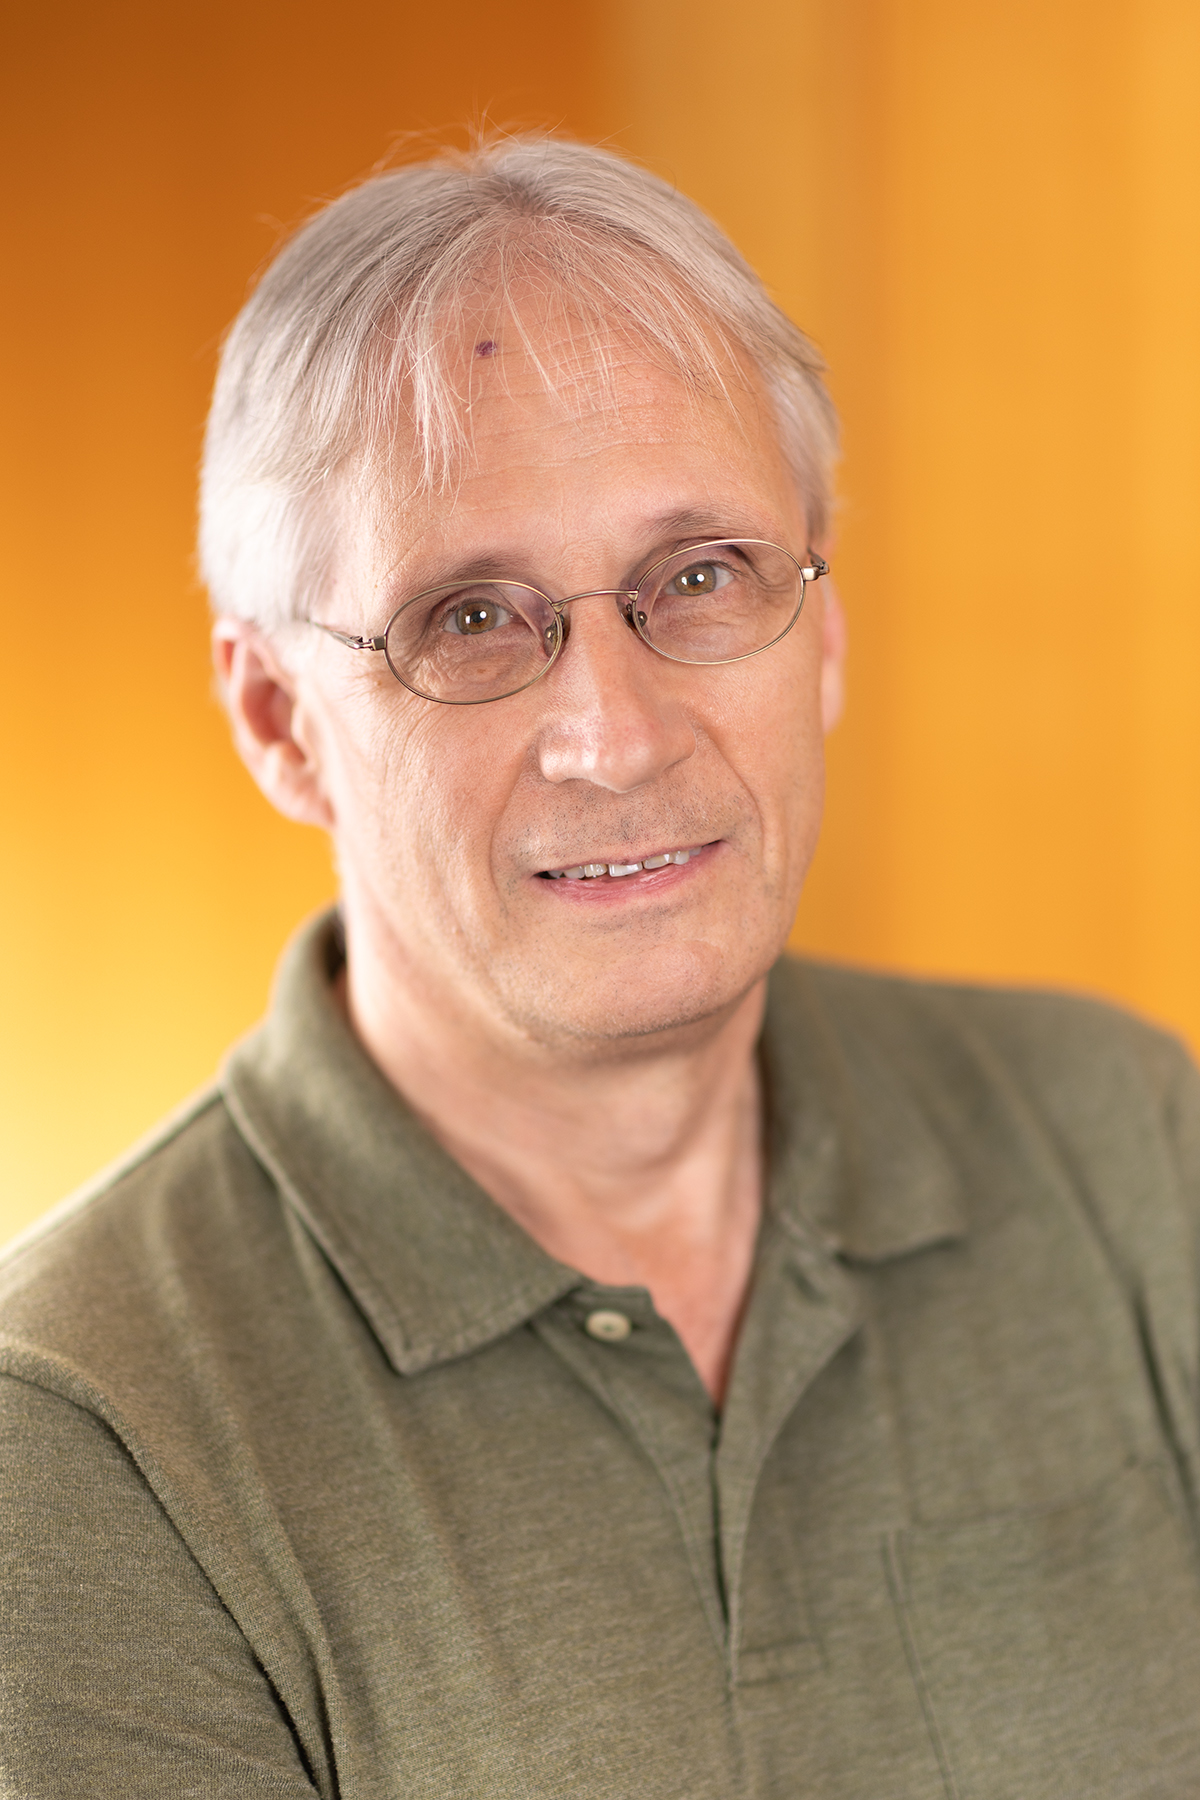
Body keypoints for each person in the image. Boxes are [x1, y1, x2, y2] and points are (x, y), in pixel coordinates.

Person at [3, 134, 1200, 1800]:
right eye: (472, 620)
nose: (616, 737)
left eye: (697, 579)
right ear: (283, 724)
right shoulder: (78, 1434)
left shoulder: (1125, 1141)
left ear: (827, 626)